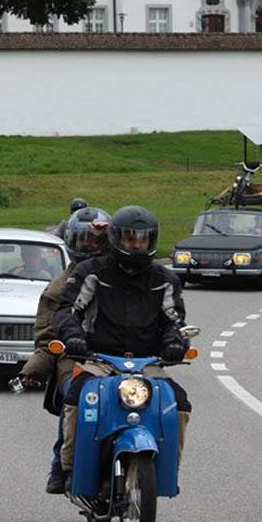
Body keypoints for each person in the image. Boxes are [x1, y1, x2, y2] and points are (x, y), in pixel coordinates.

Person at [52, 205, 192, 491]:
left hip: (148, 362)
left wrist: (175, 343)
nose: (137, 245)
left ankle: (167, 472)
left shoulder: (165, 279)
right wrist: (74, 337)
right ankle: (66, 468)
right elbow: (67, 310)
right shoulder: (91, 272)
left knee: (178, 402)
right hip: (98, 359)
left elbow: (174, 320)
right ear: (116, 238)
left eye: (143, 239)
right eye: (130, 238)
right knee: (79, 397)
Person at [9, 207, 111, 494]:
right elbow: (47, 337)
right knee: (78, 397)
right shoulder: (59, 287)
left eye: (95, 241)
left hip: (121, 358)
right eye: (82, 241)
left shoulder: (121, 279)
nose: (89, 247)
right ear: (71, 243)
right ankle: (61, 464)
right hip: (75, 358)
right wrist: (34, 369)